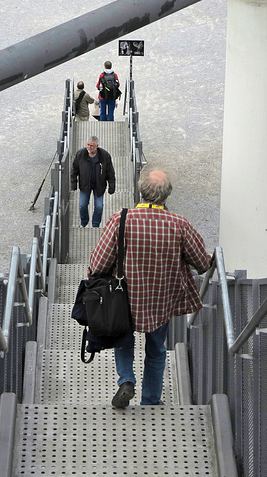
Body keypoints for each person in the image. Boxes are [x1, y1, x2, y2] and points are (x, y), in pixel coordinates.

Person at [88, 168, 211, 408]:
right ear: (166, 197)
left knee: (123, 338)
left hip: (125, 299)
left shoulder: (120, 219)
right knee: (157, 350)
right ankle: (151, 400)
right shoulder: (180, 224)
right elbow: (201, 263)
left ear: (141, 191)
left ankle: (126, 380)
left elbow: (99, 263)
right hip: (162, 299)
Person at [71, 136, 115, 228]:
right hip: (84, 185)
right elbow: (74, 170)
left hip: (99, 186)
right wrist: (73, 184)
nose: (89, 147)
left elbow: (110, 172)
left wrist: (112, 188)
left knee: (99, 207)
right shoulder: (80, 154)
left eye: (92, 145)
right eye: (88, 145)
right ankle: (84, 222)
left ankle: (95, 225)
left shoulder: (105, 156)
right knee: (82, 206)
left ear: (97, 146)